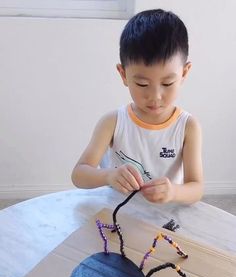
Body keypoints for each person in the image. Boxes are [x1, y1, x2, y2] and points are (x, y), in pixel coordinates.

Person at [71, 9, 203, 204]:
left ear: (184, 73)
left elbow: (196, 188)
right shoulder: (113, 122)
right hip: (119, 214)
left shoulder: (188, 127)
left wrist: (173, 192)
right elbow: (79, 174)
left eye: (167, 84)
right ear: (123, 74)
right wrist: (108, 176)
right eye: (142, 84)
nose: (155, 97)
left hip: (164, 220)